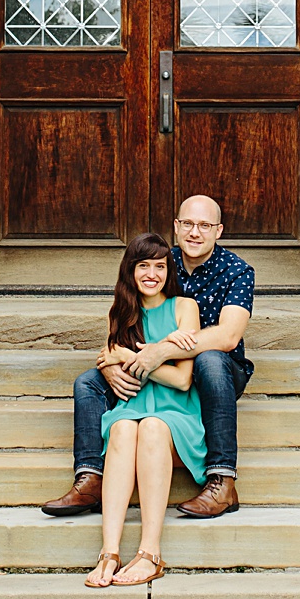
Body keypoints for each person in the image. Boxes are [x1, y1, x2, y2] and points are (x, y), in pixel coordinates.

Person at [45, 194, 254, 521]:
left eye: (204, 225)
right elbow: (126, 312)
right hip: (150, 366)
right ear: (176, 226)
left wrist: (162, 351)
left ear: (219, 231)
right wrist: (113, 361)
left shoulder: (237, 271)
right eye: (187, 224)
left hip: (216, 374)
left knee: (209, 360)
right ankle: (92, 478)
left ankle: (222, 479)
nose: (195, 232)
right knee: (88, 382)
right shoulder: (160, 260)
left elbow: (228, 336)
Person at [82, 232, 205, 588]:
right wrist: (116, 360)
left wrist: (130, 356)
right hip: (132, 403)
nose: (152, 274)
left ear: (170, 270)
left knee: (151, 426)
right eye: (144, 266)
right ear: (131, 270)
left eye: (161, 266)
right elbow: (109, 361)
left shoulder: (185, 308)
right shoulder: (121, 312)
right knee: (121, 428)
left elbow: (182, 380)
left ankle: (150, 553)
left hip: (174, 411)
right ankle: (109, 552)